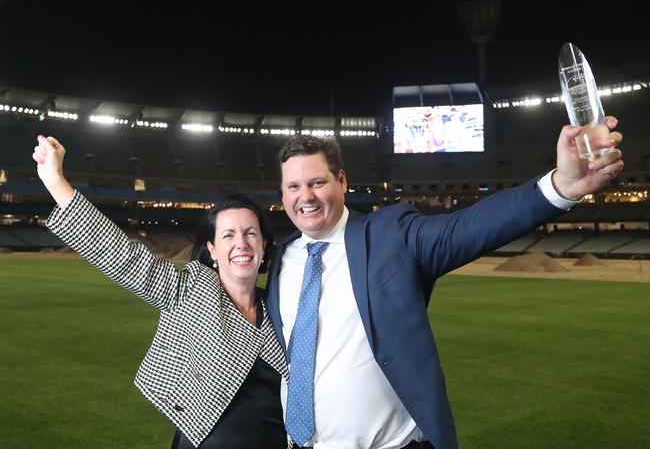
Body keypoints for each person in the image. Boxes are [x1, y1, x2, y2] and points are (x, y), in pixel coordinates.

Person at [266, 119, 624, 449]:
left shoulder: (392, 235)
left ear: (342, 181)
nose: (305, 197)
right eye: (293, 186)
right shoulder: (284, 257)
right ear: (282, 194)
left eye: (317, 182)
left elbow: (466, 229)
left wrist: (561, 186)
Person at [32, 135, 289, 449]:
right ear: (212, 249)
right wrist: (56, 182)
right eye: (229, 235)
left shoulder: (280, 306)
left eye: (251, 233)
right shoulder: (192, 290)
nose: (242, 244)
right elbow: (124, 257)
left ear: (264, 245)